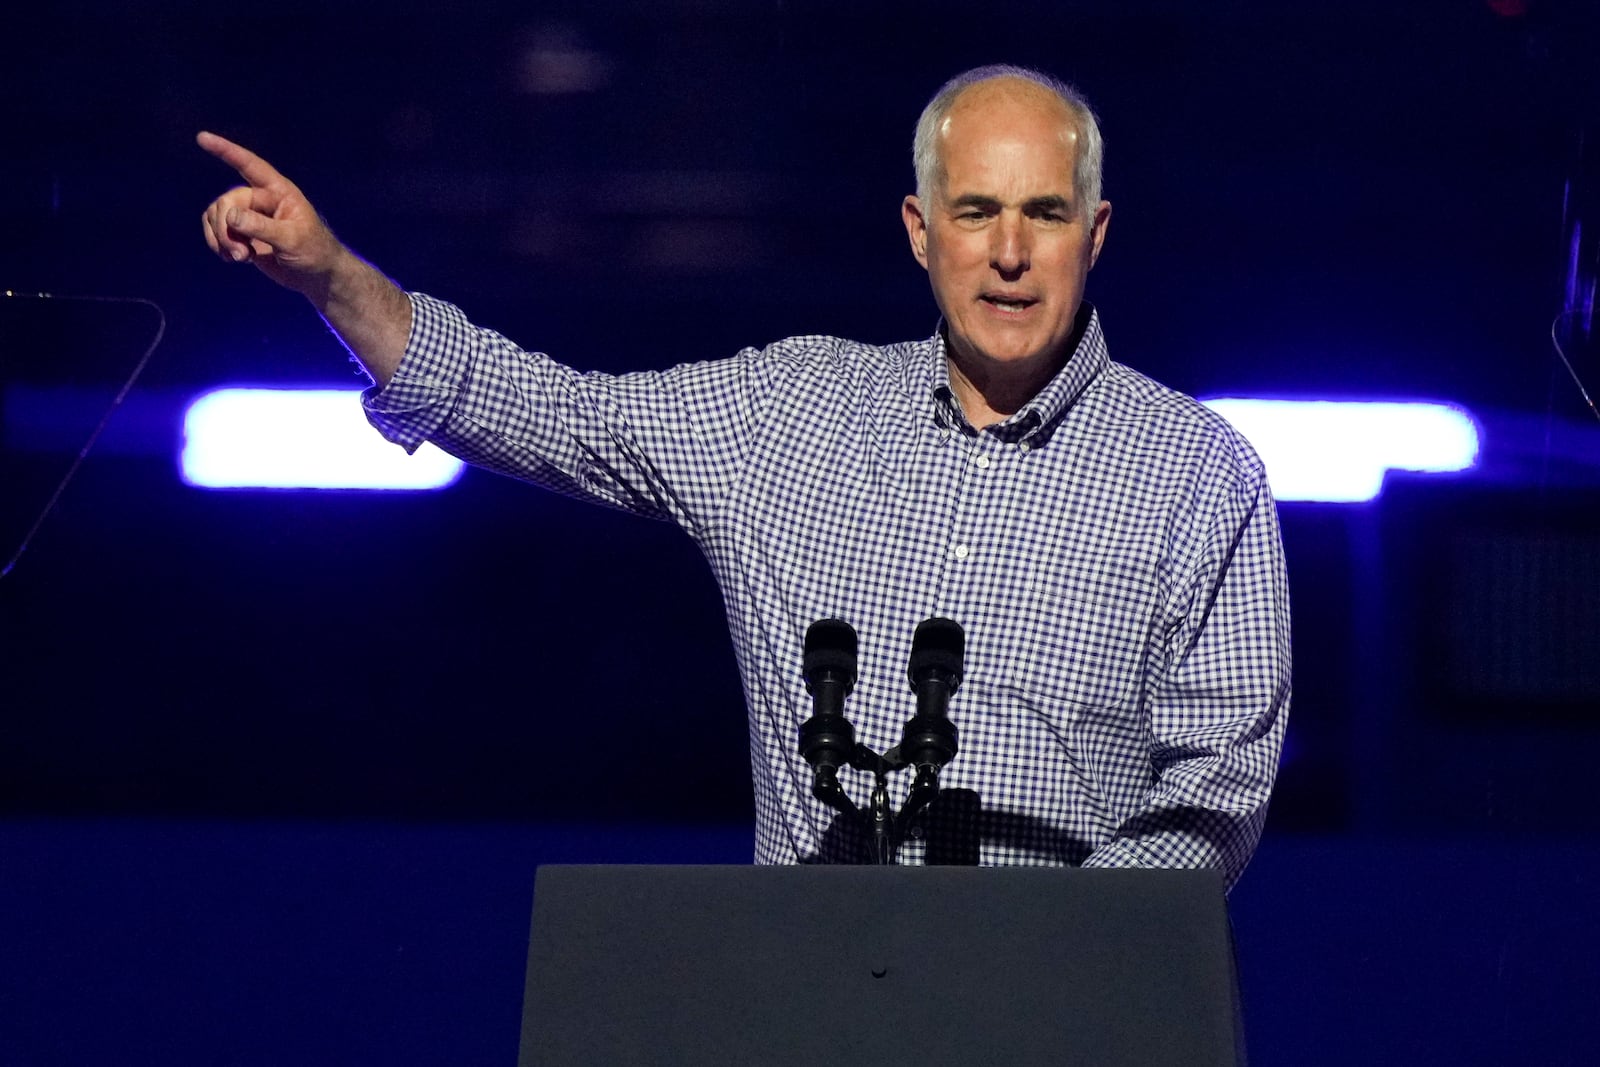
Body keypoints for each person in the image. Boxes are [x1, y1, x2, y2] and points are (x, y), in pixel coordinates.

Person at [199, 64, 1290, 884]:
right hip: (803, 1011)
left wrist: (1030, 970)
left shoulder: (1195, 473)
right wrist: (334, 279)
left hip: (1073, 1030)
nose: (1008, 250)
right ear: (920, 230)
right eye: (975, 210)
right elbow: (553, 413)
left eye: (1042, 213)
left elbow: (1215, 792)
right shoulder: (788, 411)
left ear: (1092, 233)